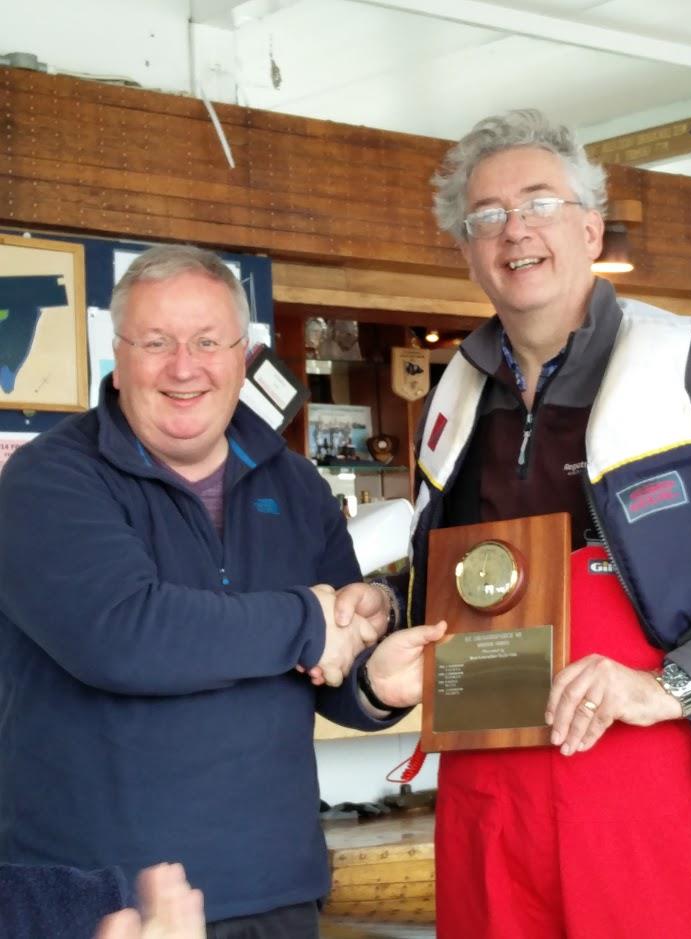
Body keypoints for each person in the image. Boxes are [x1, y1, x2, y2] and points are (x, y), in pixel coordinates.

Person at [0, 244, 445, 939]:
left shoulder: (296, 484)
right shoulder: (47, 481)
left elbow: (326, 662)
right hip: (104, 899)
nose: (184, 366)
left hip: (277, 888)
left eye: (208, 341)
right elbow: (125, 633)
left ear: (246, 354)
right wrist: (308, 617)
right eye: (156, 342)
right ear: (118, 355)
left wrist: (371, 685)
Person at [334, 109, 691, 938]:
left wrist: (670, 684)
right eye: (487, 218)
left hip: (651, 781)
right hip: (490, 793)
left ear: (588, 224)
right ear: (467, 251)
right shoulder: (454, 398)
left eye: (537, 204)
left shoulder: (687, 366)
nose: (515, 232)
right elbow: (462, 583)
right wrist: (387, 607)